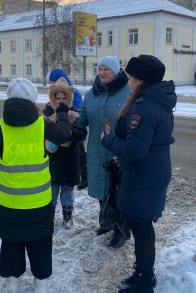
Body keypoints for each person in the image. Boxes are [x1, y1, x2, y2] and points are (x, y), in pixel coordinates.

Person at [0, 78, 72, 293]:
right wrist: (62, 114)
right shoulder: (42, 125)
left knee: (11, 240)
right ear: (32, 99)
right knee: (40, 240)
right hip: (39, 199)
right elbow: (64, 136)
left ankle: (12, 281)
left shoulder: (0, 127)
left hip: (9, 200)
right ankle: (41, 282)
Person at [101, 54, 176, 293]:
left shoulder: (143, 108)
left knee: (141, 230)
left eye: (131, 75)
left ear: (140, 79)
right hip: (151, 173)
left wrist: (108, 140)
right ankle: (143, 274)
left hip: (142, 176)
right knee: (143, 228)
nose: (129, 78)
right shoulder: (156, 101)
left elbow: (135, 150)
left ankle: (143, 282)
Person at [75, 56, 130, 249]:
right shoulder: (92, 93)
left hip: (119, 150)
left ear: (116, 71)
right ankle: (106, 223)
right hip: (97, 150)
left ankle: (121, 230)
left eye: (106, 69)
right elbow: (83, 116)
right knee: (101, 189)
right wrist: (74, 118)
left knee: (117, 192)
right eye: (100, 69)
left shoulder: (128, 91)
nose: (102, 72)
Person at [43, 78, 87, 228]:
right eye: (58, 98)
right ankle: (50, 216)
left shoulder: (74, 113)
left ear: (69, 98)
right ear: (53, 98)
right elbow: (41, 132)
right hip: (53, 160)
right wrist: (47, 143)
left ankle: (68, 216)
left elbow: (82, 133)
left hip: (69, 159)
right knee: (52, 190)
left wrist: (71, 135)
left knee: (67, 191)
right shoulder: (47, 113)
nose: (61, 101)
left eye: (64, 98)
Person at [48, 69, 87, 190]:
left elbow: (77, 112)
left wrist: (67, 114)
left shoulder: (71, 94)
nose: (53, 83)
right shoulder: (55, 97)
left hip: (71, 131)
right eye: (52, 81)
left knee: (79, 157)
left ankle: (84, 179)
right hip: (57, 147)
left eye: (54, 80)